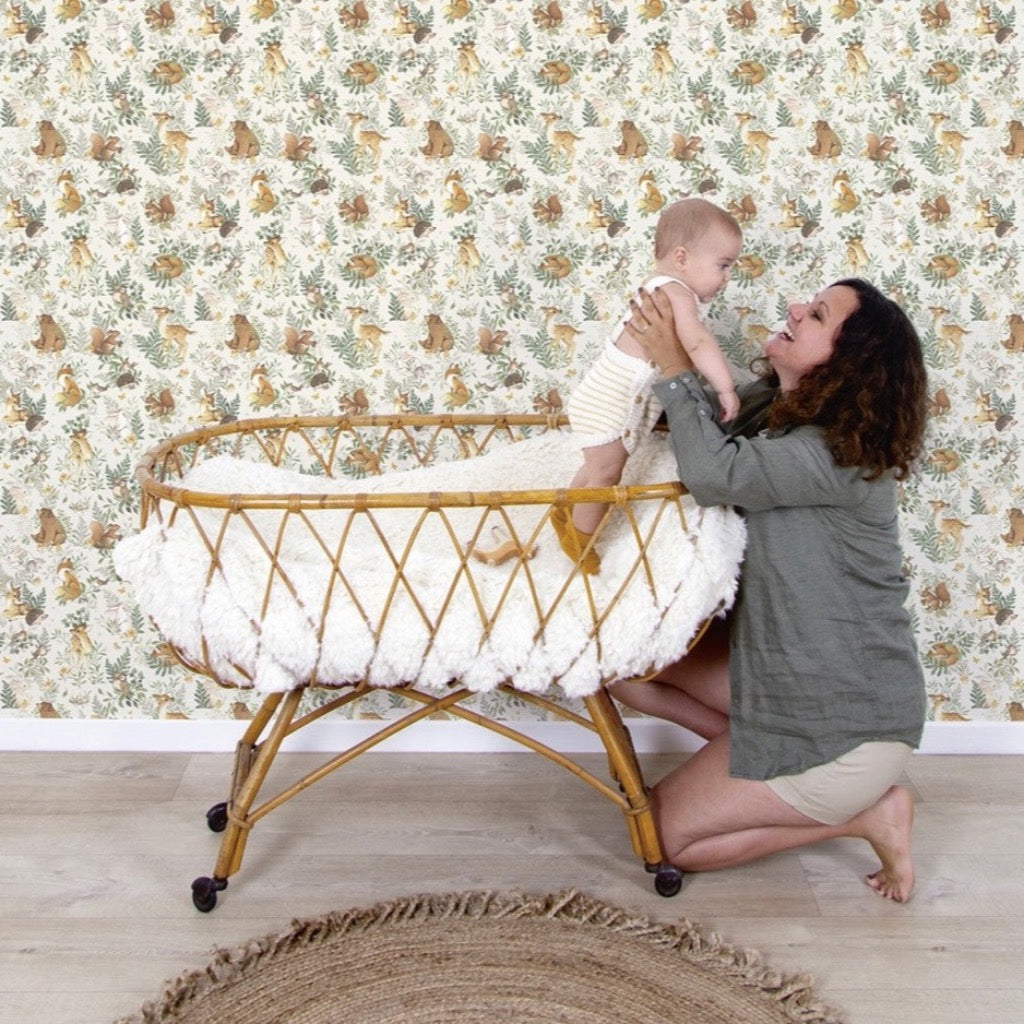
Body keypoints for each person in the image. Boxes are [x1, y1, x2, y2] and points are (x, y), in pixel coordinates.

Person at [611, 277, 929, 902]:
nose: (794, 309)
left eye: (817, 315)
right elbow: (703, 422)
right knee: (623, 665)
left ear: (845, 364)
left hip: (848, 723)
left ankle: (868, 813)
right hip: (795, 682)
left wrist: (673, 366)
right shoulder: (778, 412)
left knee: (663, 838)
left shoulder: (834, 454)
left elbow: (713, 472)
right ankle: (757, 758)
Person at [552, 197, 743, 575]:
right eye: (723, 265)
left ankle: (566, 510)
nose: (727, 277)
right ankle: (579, 538)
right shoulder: (675, 292)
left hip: (604, 395)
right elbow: (697, 342)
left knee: (598, 465)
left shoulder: (660, 286)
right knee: (606, 473)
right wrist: (725, 387)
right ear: (682, 258)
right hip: (610, 399)